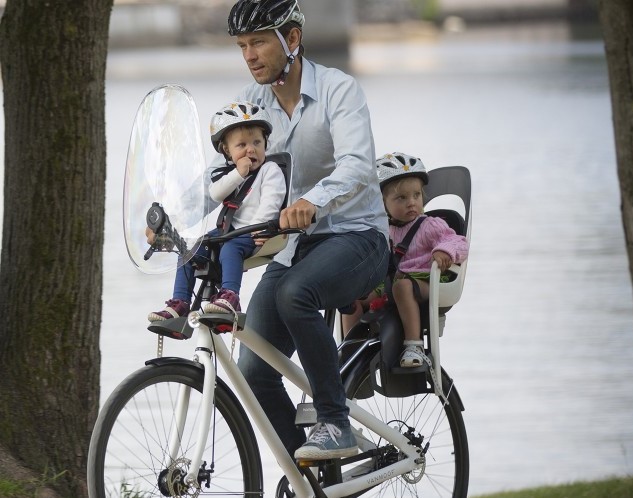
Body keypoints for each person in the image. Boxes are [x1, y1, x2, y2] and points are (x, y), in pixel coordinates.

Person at [216, 0, 390, 460]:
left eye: (257, 42)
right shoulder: (249, 106)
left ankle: (336, 424)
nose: (249, 55)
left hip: (358, 236)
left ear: (291, 39)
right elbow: (224, 174)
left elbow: (357, 163)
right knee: (253, 367)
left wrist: (313, 200)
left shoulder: (338, 89)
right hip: (297, 247)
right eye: (242, 46)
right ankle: (310, 479)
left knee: (296, 293)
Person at [148, 101, 286, 321]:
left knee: (230, 248)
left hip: (253, 232)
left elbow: (272, 201)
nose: (251, 149)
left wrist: (257, 228)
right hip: (228, 230)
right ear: (227, 151)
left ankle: (230, 296)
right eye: (241, 145)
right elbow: (215, 194)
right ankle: (180, 302)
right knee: (191, 248)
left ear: (265, 144)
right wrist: (238, 174)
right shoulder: (231, 174)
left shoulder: (270, 170)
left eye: (257, 142)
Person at [343, 153, 469, 367]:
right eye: (401, 198)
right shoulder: (381, 229)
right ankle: (350, 347)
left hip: (424, 282)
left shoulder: (430, 225)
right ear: (382, 203)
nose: (412, 203)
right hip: (390, 284)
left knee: (402, 287)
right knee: (352, 295)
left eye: (416, 195)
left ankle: (414, 345)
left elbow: (458, 241)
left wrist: (444, 251)